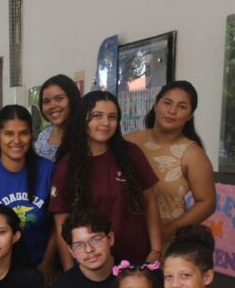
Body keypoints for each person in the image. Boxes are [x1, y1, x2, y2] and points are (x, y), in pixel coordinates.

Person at [50, 90, 162, 269]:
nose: (105, 123)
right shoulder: (67, 166)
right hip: (91, 265)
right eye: (97, 116)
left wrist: (156, 250)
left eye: (112, 117)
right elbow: (61, 223)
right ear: (83, 119)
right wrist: (70, 271)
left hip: (136, 262)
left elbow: (149, 202)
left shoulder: (131, 154)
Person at [0, 105, 57, 275]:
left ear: (31, 135)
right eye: (9, 134)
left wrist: (47, 263)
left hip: (40, 267)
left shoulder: (48, 171)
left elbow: (58, 224)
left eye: (23, 133)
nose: (17, 140)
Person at [125, 80, 216, 243]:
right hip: (123, 238)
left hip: (166, 244)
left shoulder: (192, 154)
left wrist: (167, 232)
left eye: (182, 107)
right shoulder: (128, 142)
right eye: (167, 103)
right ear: (155, 105)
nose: (172, 111)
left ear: (190, 116)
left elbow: (207, 203)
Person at [33, 74, 81, 162]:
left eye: (59, 99)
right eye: (46, 101)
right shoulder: (43, 137)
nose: (52, 106)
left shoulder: (85, 135)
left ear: (72, 99)